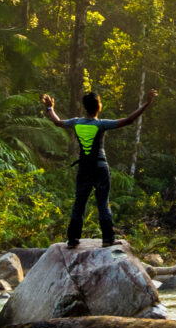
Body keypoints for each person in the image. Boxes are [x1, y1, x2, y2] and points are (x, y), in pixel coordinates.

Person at [40, 87, 159, 249]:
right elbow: (128, 120)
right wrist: (147, 103)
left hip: (84, 168)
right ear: (99, 107)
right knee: (103, 202)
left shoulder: (76, 122)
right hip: (101, 167)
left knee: (79, 203)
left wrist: (49, 108)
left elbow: (58, 122)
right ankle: (108, 239)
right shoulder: (101, 124)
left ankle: (73, 239)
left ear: (85, 107)